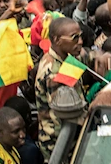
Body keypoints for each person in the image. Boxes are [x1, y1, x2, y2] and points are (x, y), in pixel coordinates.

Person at [35, 17, 91, 161]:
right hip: (60, 142)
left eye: (81, 36)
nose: (80, 42)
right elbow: (68, 115)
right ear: (57, 40)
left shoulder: (64, 57)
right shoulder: (54, 72)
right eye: (74, 38)